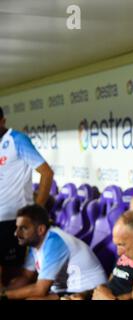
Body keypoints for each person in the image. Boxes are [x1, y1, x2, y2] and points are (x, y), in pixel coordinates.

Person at [0, 204, 107, 300]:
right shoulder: (36, 242)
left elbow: (40, 290)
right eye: (17, 228)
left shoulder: (55, 242)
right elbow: (25, 277)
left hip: (88, 292)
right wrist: (4, 291)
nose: (16, 233)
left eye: (23, 228)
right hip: (67, 290)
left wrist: (4, 296)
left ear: (40, 229)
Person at [0, 107, 54, 287]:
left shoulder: (17, 140)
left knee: (12, 273)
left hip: (13, 221)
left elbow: (46, 173)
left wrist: (35, 211)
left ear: (2, 121)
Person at [63, 211, 133, 300]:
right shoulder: (128, 255)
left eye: (122, 244)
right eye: (117, 245)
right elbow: (109, 283)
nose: (118, 253)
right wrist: (84, 294)